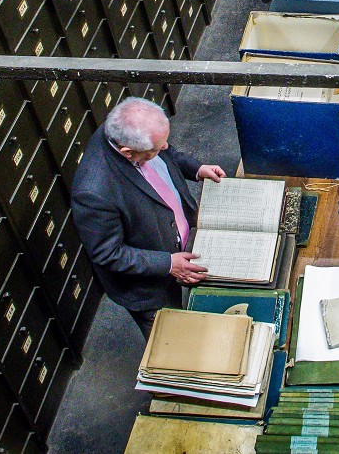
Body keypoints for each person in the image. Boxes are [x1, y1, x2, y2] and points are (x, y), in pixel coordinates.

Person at [69, 97, 227, 338]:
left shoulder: (131, 129)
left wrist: (195, 168)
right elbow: (107, 253)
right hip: (149, 286)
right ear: (128, 152)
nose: (164, 149)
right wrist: (169, 264)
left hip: (173, 240)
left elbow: (167, 152)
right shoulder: (94, 191)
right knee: (172, 340)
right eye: (155, 149)